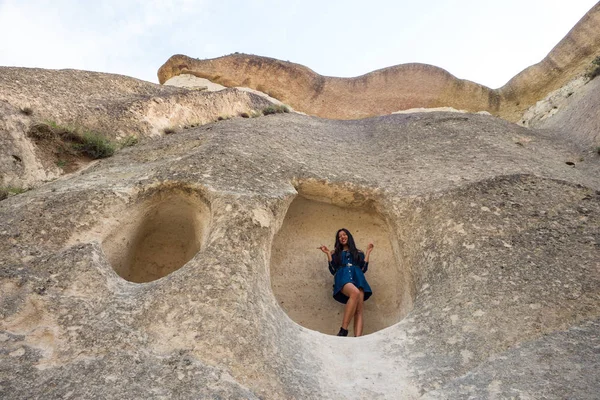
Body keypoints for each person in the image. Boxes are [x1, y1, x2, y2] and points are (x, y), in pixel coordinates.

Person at [318, 228, 373, 337]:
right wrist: (328, 254)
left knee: (359, 310)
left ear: (349, 236)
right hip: (342, 276)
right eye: (339, 236)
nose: (342, 237)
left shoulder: (359, 252)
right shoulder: (335, 253)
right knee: (355, 293)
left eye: (344, 235)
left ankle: (358, 339)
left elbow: (363, 269)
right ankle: (344, 329)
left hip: (358, 277)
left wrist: (368, 252)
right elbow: (333, 270)